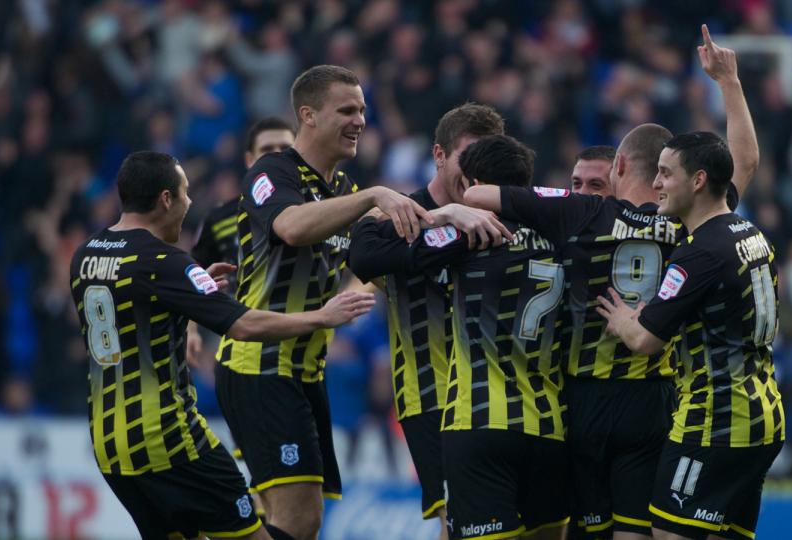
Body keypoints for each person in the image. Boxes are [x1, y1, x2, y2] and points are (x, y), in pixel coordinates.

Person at [463, 25, 758, 540]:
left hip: (584, 397)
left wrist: (460, 207)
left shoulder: (583, 213)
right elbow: (746, 161)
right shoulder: (689, 221)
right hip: (652, 398)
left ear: (619, 166)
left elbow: (482, 197)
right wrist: (728, 83)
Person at [69, 151, 374, 540]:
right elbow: (244, 325)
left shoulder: (86, 254)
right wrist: (322, 316)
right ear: (165, 199)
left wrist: (188, 290)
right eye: (185, 193)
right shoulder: (163, 262)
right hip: (170, 439)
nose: (190, 203)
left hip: (110, 444)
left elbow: (134, 314)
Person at [213, 64, 431, 540]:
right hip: (259, 367)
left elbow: (375, 263)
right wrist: (375, 195)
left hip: (306, 372)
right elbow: (291, 227)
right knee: (295, 517)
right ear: (307, 115)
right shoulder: (270, 171)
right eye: (347, 110)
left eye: (363, 111)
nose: (359, 121)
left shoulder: (344, 191)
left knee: (298, 519)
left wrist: (448, 213)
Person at [350, 135, 569, 540]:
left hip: (478, 422)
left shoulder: (469, 237)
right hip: (550, 424)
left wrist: (442, 214)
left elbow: (364, 253)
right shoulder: (564, 236)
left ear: (471, 184)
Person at [596, 130, 784, 540]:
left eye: (665, 174)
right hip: (763, 417)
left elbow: (646, 341)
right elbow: (748, 160)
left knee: (668, 532)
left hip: (713, 423)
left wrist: (623, 318)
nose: (657, 184)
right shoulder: (749, 234)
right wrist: (728, 81)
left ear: (698, 181)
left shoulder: (698, 253)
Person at [373, 102, 505, 539]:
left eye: (487, 158)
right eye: (467, 157)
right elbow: (361, 262)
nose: (476, 171)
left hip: (504, 395)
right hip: (432, 397)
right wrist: (447, 223)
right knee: (461, 525)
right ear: (439, 154)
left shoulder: (509, 213)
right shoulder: (399, 215)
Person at [187, 117, 296, 364]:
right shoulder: (220, 218)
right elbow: (194, 275)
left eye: (285, 149)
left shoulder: (316, 210)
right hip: (241, 348)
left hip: (305, 345)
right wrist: (191, 330)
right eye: (267, 150)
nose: (276, 157)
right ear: (249, 160)